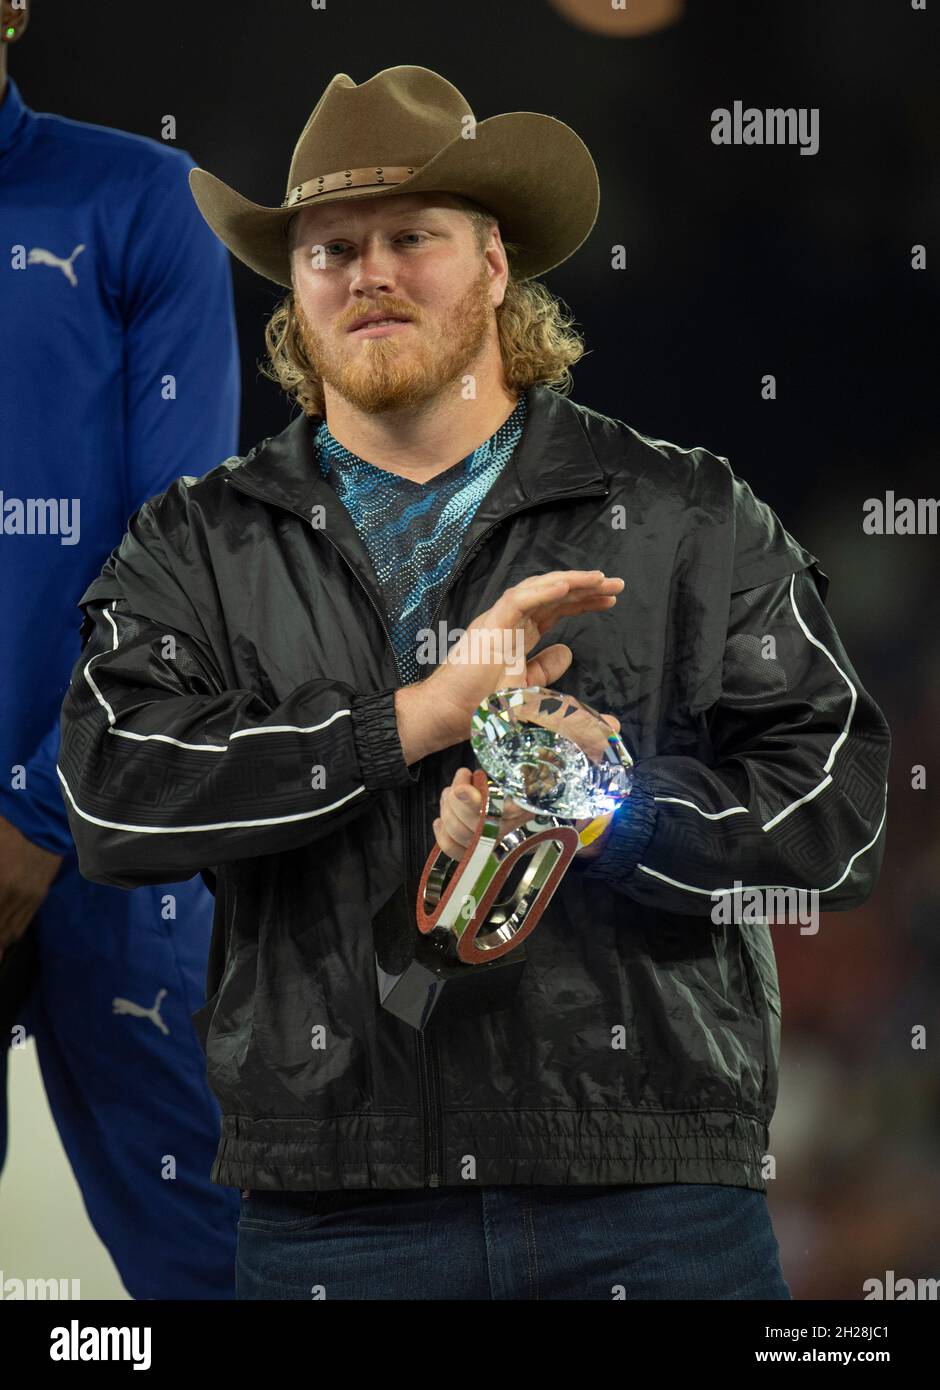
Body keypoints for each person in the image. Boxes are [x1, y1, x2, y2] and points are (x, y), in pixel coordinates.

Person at [57, 65, 891, 1300]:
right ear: (293, 285)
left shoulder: (687, 513)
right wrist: (408, 726)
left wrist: (601, 806)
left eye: (412, 236)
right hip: (332, 1211)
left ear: (496, 262)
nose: (369, 272)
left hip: (651, 1205)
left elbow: (839, 808)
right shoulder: (194, 542)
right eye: (330, 247)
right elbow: (113, 795)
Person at [0, 0, 241, 1298]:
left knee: (222, 1269)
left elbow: (182, 551)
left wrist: (39, 811)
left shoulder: (145, 203)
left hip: (116, 836)